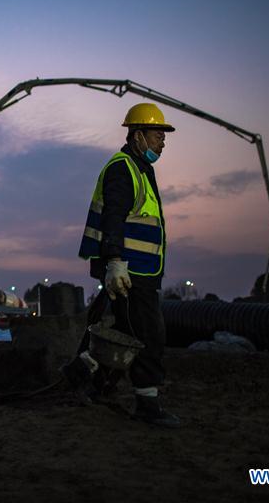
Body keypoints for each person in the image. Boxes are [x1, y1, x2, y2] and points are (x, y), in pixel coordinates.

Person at [72, 102, 181, 428]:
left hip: (138, 271)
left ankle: (88, 381)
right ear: (137, 136)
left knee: (124, 331)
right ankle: (147, 404)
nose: (163, 141)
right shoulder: (123, 168)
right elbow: (113, 219)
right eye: (157, 134)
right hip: (130, 273)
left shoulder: (140, 168)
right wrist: (115, 262)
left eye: (164, 136)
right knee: (148, 335)